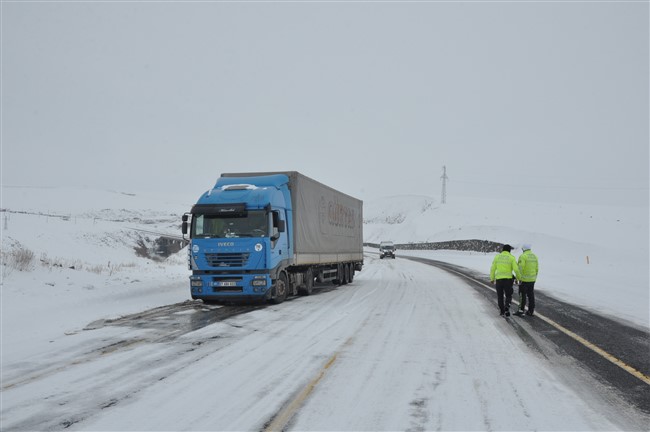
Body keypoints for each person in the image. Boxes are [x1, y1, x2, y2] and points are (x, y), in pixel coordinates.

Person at [490, 244, 521, 317]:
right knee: (508, 295)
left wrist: (492, 278)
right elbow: (516, 269)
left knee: (500, 296)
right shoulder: (511, 258)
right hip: (508, 280)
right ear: (509, 250)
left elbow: (493, 269)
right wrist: (518, 278)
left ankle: (502, 311)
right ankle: (507, 306)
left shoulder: (497, 257)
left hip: (499, 280)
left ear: (502, 250)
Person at [514, 244, 539, 316]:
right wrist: (534, 277)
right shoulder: (535, 256)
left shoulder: (523, 256)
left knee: (522, 295)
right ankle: (531, 311)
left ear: (523, 249)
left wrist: (518, 278)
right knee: (531, 295)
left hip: (524, 280)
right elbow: (537, 268)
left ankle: (521, 311)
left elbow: (520, 268)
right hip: (532, 279)